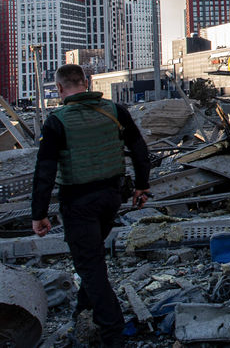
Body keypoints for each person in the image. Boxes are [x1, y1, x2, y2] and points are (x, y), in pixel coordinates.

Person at [31, 64, 151, 347]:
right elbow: (139, 148)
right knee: (92, 256)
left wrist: (39, 214)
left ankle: (112, 333)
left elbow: (45, 172)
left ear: (59, 89)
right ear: (87, 82)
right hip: (112, 197)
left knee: (90, 266)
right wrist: (142, 186)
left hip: (78, 202)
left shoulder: (56, 121)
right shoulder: (115, 110)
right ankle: (82, 311)